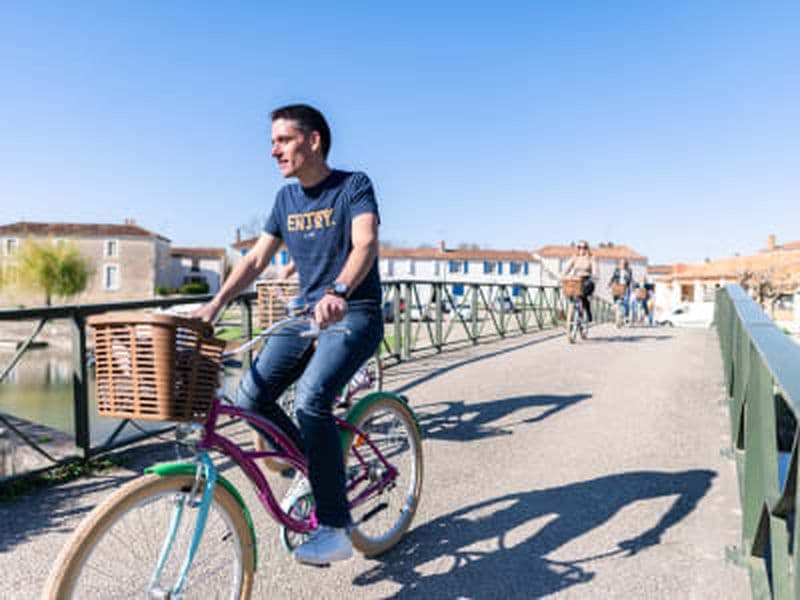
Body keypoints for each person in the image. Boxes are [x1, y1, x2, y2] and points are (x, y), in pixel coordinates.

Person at [193, 104, 383, 566]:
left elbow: (366, 243)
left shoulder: (353, 186)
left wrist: (340, 289)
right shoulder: (285, 200)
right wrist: (216, 303)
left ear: (313, 140)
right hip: (305, 315)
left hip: (352, 310)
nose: (272, 149)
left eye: (283, 140)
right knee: (248, 395)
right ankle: (317, 470)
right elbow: (256, 260)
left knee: (311, 399)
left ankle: (336, 528)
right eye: (273, 140)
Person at [562, 240, 596, 321]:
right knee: (569, 292)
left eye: (584, 247)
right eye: (579, 247)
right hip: (576, 280)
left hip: (587, 280)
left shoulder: (591, 258)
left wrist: (595, 275)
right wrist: (563, 274)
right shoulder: (575, 257)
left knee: (583, 295)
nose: (582, 249)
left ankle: (588, 312)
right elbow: (567, 268)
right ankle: (571, 312)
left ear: (587, 248)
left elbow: (595, 269)